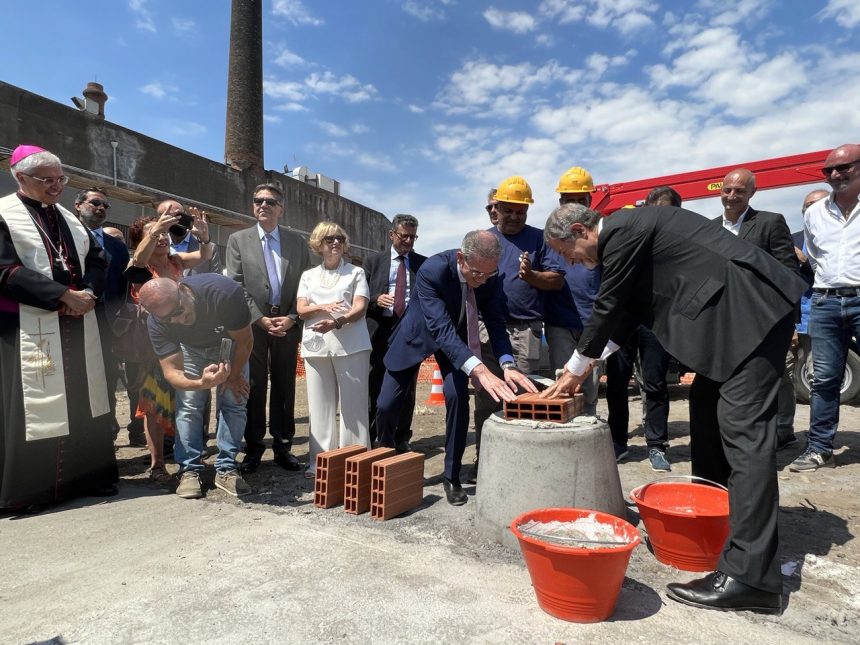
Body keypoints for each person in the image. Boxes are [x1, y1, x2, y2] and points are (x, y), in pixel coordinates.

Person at [541, 202, 806, 614]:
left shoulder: (623, 230)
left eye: (564, 251)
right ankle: (723, 531)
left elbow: (609, 306)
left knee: (745, 438)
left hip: (748, 313)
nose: (569, 261)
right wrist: (586, 364)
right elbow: (627, 316)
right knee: (705, 410)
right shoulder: (630, 233)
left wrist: (576, 367)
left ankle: (751, 578)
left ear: (580, 230)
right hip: (735, 321)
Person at [375, 230, 537, 506]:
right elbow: (439, 327)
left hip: (457, 344)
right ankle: (386, 458)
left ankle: (452, 476)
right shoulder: (432, 269)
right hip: (418, 335)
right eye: (476, 274)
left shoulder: (489, 273)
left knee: (458, 397)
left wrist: (506, 363)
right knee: (386, 404)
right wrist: (479, 369)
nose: (482, 281)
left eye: (488, 275)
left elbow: (495, 320)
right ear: (461, 258)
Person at [0, 144, 117, 511]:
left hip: (79, 323)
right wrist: (62, 296)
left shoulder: (69, 217)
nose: (56, 186)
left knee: (86, 400)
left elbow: (98, 260)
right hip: (26, 326)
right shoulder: (4, 215)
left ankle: (88, 478)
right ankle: (30, 491)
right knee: (37, 409)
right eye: (47, 180)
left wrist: (88, 293)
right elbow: (4, 271)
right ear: (21, 178)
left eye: (60, 179)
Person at [697, 169, 798, 468]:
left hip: (760, 325)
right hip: (720, 327)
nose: (731, 196)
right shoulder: (709, 229)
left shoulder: (769, 223)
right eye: (727, 190)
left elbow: (788, 275)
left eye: (739, 191)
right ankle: (726, 455)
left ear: (751, 193)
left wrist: (783, 323)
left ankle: (759, 455)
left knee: (758, 394)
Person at [470, 176, 563, 483]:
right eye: (507, 210)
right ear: (495, 208)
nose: (513, 216)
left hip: (525, 331)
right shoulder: (483, 239)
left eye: (520, 211)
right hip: (487, 329)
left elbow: (556, 279)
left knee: (524, 397)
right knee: (486, 397)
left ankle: (522, 467)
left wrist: (530, 275)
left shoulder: (539, 239)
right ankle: (485, 462)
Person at [137, 275, 253, 499]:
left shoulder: (223, 292)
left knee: (234, 400)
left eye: (179, 311)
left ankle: (227, 468)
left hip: (227, 345)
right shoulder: (156, 323)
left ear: (184, 290)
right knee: (189, 407)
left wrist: (234, 375)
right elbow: (172, 372)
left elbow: (245, 341)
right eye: (169, 318)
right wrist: (201, 383)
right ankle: (189, 469)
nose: (179, 320)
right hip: (190, 349)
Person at [224, 183, 311, 474]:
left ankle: (283, 446)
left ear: (281, 208)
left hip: (287, 322)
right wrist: (258, 317)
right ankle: (253, 448)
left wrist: (293, 317)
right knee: (256, 385)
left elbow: (305, 284)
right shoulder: (238, 240)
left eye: (270, 201)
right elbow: (235, 283)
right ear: (253, 206)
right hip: (253, 326)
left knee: (285, 385)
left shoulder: (297, 243)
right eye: (258, 200)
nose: (263, 205)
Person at [125, 205, 213, 483]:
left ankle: (188, 456)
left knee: (186, 400)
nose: (163, 238)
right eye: (155, 233)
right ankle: (157, 464)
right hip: (155, 343)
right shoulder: (139, 267)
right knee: (154, 404)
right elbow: (138, 260)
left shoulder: (176, 261)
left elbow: (203, 256)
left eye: (165, 233)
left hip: (185, 340)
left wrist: (205, 237)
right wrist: (154, 231)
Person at [793, 144, 860, 472]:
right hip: (826, 301)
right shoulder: (814, 214)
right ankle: (819, 448)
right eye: (828, 170)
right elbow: (816, 257)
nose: (835, 175)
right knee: (823, 378)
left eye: (843, 167)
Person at [297, 223, 372, 476]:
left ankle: (355, 460)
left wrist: (336, 322)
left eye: (340, 238)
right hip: (316, 344)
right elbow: (301, 309)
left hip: (351, 345)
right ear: (319, 243)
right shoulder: (308, 275)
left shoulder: (356, 273)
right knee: (319, 406)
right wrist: (326, 307)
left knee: (354, 407)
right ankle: (320, 461)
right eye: (330, 239)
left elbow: (359, 308)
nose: (336, 243)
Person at [364, 214, 426, 449]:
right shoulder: (373, 262)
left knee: (407, 387)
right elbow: (358, 295)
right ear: (392, 235)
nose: (409, 241)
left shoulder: (422, 263)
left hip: (409, 332)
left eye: (413, 237)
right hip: (380, 330)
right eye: (404, 236)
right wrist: (375, 299)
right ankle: (374, 435)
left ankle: (401, 436)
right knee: (375, 382)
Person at [544, 167, 601, 417]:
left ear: (590, 199)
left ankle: (587, 431)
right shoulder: (552, 236)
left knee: (589, 386)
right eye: (570, 200)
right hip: (561, 323)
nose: (577, 204)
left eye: (582, 199)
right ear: (560, 201)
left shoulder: (600, 237)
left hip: (596, 323)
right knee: (563, 381)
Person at [74, 187, 130, 437]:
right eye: (95, 202)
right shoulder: (63, 235)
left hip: (107, 323)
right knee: (74, 379)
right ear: (78, 205)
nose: (101, 208)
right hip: (71, 319)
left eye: (106, 206)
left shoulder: (117, 247)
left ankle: (105, 434)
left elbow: (122, 285)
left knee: (107, 378)